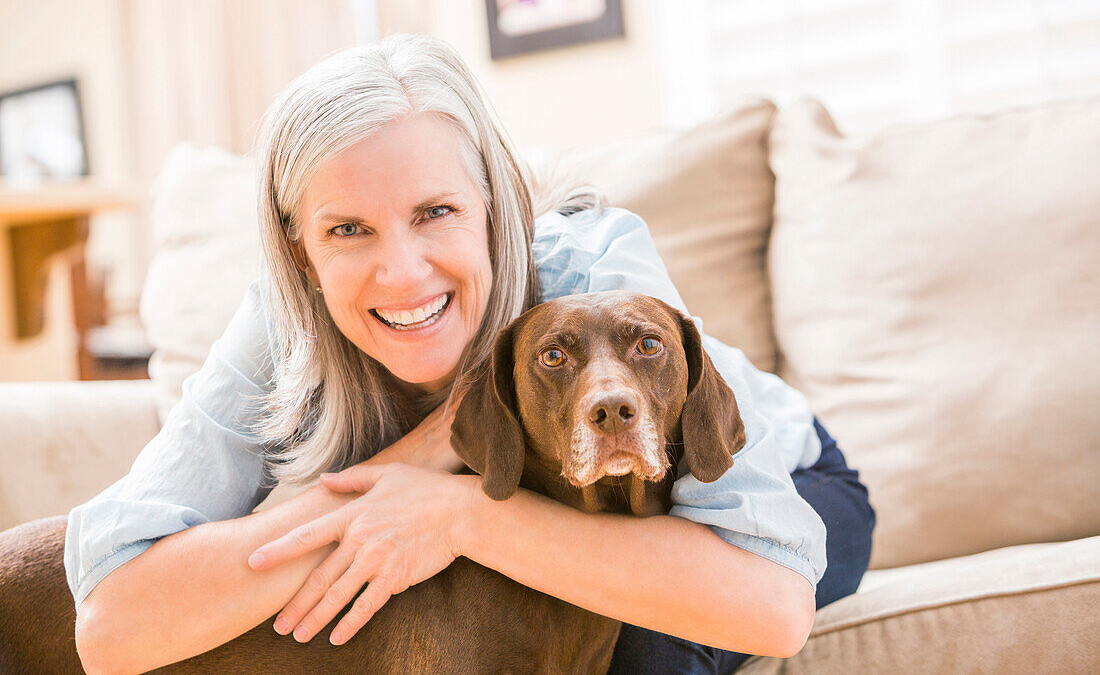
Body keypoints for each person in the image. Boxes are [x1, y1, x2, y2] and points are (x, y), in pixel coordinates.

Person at [65, 33, 875, 674]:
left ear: (499, 205)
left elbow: (770, 602)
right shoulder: (284, 328)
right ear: (300, 248)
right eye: (348, 228)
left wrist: (460, 515)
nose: (403, 272)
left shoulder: (590, 271)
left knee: (635, 644)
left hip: (797, 481)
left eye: (436, 211)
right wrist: (429, 451)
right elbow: (110, 624)